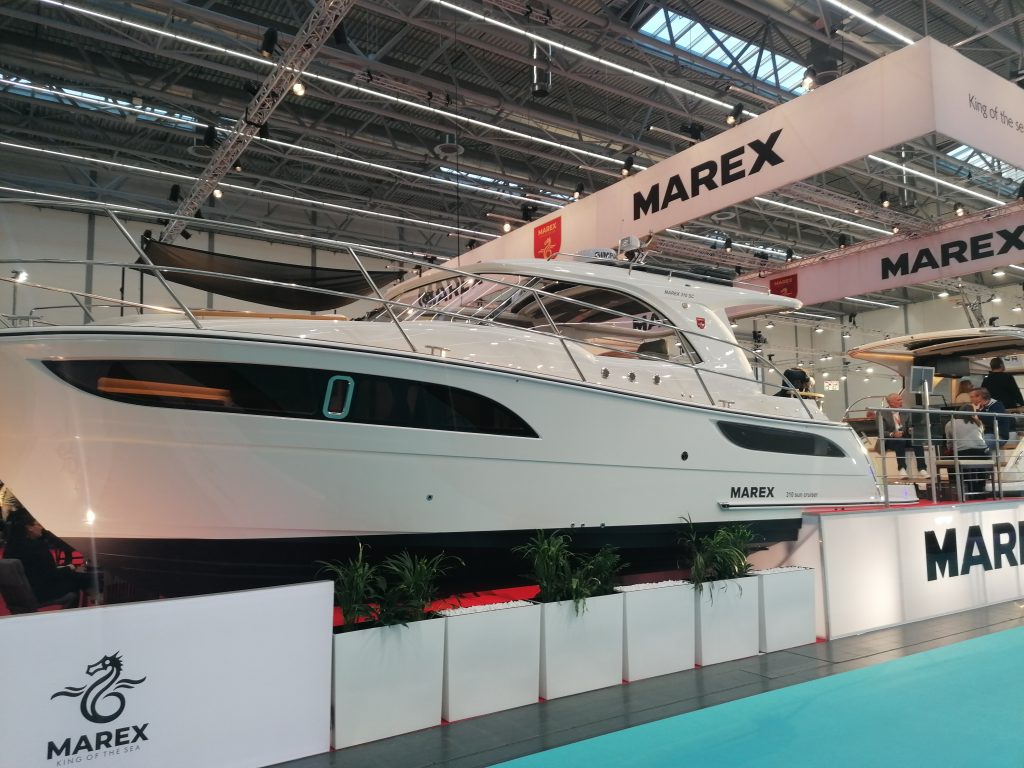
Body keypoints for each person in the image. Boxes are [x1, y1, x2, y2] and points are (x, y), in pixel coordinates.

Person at [2, 509, 93, 604]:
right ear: (29, 528)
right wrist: (70, 567)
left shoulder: (10, 547)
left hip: (23, 593)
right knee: (84, 579)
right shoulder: (36, 547)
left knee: (78, 578)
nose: (41, 527)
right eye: (38, 524)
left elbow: (39, 571)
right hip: (41, 592)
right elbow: (52, 575)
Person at [943, 411, 990, 497]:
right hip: (982, 452)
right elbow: (982, 438)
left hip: (963, 453)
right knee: (978, 465)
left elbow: (949, 443)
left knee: (952, 463)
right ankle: (980, 489)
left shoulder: (950, 423)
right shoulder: (978, 422)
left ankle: (960, 490)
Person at [881, 392, 927, 478]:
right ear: (891, 403)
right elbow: (881, 431)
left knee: (917, 441)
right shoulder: (881, 413)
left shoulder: (905, 411)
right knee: (900, 441)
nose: (901, 401)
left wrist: (910, 430)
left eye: (901, 399)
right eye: (899, 400)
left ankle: (922, 469)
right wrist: (893, 434)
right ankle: (902, 469)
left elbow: (909, 426)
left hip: (905, 437)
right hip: (890, 440)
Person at [969, 387, 1013, 451]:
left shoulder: (997, 405)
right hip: (983, 435)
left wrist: (977, 411)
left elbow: (990, 421)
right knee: (966, 443)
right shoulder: (980, 407)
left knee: (980, 445)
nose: (970, 399)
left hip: (998, 436)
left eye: (971, 397)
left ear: (979, 397)